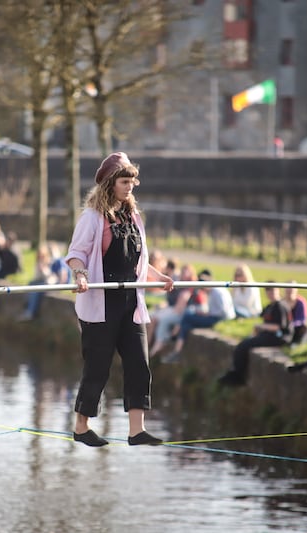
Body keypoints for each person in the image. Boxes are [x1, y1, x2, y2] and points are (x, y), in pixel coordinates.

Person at [64, 151, 174, 447]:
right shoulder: (92, 217)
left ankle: (136, 431)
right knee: (97, 367)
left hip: (131, 303)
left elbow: (139, 262)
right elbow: (75, 255)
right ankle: (81, 426)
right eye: (126, 181)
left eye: (133, 181)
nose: (131, 186)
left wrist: (159, 278)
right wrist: (81, 276)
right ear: (111, 183)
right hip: (101, 304)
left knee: (139, 363)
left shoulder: (134, 217)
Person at [217, 284, 293, 386]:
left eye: (272, 290)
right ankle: (235, 372)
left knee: (244, 345)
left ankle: (238, 376)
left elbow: (279, 326)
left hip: (279, 338)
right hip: (268, 335)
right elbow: (260, 320)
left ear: (278, 290)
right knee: (243, 344)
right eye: (268, 291)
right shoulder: (269, 306)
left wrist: (261, 327)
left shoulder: (280, 306)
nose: (270, 293)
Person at [164, 269, 235, 363]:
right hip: (216, 316)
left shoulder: (216, 292)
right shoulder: (216, 290)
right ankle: (177, 350)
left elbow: (223, 312)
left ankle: (175, 341)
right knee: (186, 324)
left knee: (187, 316)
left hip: (219, 319)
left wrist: (208, 314)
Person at [149, 264, 203, 357]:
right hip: (175, 309)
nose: (184, 274)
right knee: (152, 317)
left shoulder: (192, 287)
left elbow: (183, 305)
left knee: (163, 320)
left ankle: (159, 343)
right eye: (183, 271)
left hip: (186, 311)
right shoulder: (178, 284)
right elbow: (172, 301)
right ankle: (148, 343)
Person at [18, 242, 69, 321]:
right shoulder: (53, 261)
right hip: (50, 282)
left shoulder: (59, 261)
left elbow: (62, 278)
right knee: (31, 284)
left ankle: (30, 313)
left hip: (56, 284)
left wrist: (59, 287)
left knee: (36, 290)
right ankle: (27, 306)